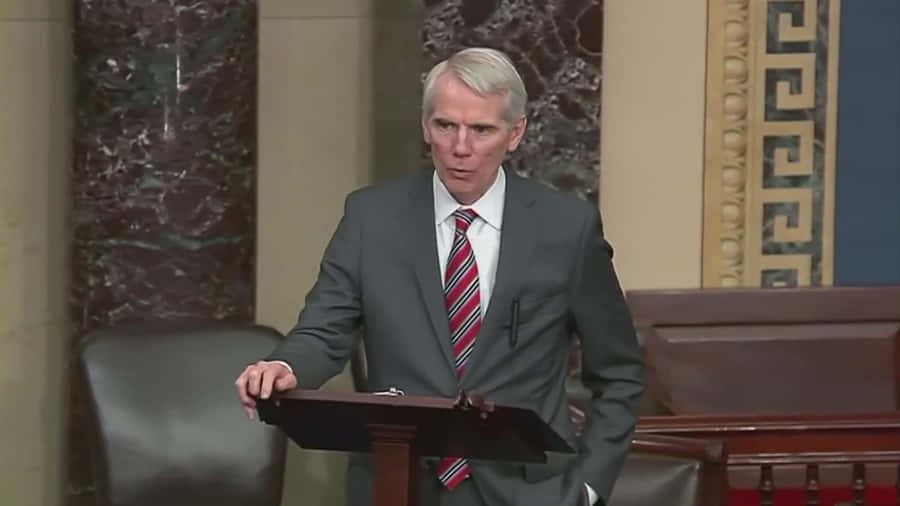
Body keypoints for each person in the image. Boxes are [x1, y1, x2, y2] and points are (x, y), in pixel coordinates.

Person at [235, 47, 644, 506]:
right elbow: (324, 329)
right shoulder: (372, 218)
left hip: (528, 491)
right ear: (425, 126)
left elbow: (619, 373)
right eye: (446, 125)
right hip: (398, 483)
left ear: (515, 133)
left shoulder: (567, 229)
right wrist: (286, 367)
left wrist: (588, 488)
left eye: (481, 130)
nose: (460, 147)